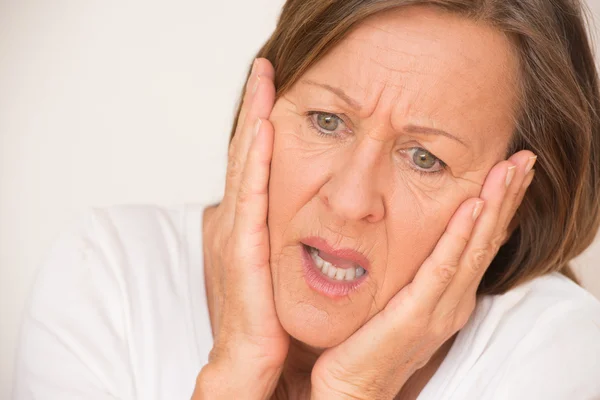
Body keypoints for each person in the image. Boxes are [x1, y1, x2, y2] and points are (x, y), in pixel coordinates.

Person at [13, 0, 600, 399]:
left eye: (425, 158)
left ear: (514, 202)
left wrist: (352, 391)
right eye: (326, 120)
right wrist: (238, 367)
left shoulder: (552, 350)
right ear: (259, 108)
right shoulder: (107, 276)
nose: (349, 200)